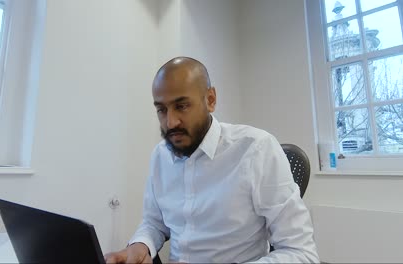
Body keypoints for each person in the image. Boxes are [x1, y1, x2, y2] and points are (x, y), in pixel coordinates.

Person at [105, 57, 319, 263]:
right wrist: (140, 245)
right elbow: (154, 222)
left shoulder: (256, 149)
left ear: (210, 100)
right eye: (162, 109)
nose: (170, 122)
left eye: (181, 106)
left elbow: (301, 253)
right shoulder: (160, 156)